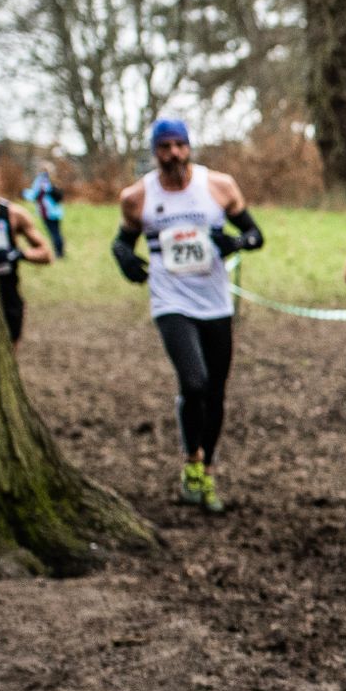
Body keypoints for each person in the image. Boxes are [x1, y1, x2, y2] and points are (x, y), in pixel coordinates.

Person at [112, 119, 263, 514]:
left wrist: (235, 242)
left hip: (216, 302)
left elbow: (255, 236)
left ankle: (205, 469)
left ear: (189, 147)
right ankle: (191, 459)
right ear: (154, 151)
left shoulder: (219, 186)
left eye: (180, 145)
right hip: (170, 301)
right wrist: (123, 258)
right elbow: (122, 241)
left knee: (215, 391)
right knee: (194, 383)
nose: (174, 154)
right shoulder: (137, 196)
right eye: (165, 147)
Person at [0, 146, 52, 350]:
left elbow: (46, 253)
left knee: (8, 354)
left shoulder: (13, 215)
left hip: (7, 299)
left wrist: (20, 254)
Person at [29, 163, 67, 258]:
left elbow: (34, 195)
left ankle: (58, 254)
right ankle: (61, 253)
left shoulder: (41, 181)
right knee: (57, 232)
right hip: (57, 212)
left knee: (54, 233)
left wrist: (24, 193)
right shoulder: (54, 180)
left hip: (48, 212)